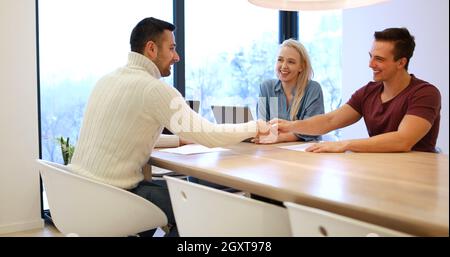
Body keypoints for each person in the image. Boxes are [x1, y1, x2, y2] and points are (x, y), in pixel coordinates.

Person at [68, 17, 270, 236]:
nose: (177, 57)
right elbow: (210, 135)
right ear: (151, 49)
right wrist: (257, 126)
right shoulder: (153, 89)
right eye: (172, 48)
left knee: (181, 194)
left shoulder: (106, 80)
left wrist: (177, 140)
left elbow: (122, 134)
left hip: (81, 195)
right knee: (197, 204)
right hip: (114, 199)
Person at [271, 27, 441, 153]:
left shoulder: (425, 93)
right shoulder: (368, 92)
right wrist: (290, 126)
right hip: (380, 169)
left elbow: (403, 140)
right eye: (371, 56)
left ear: (401, 63)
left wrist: (345, 144)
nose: (370, 64)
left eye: (379, 59)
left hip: (417, 174)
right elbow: (330, 121)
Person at [255, 38, 324, 144]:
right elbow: (263, 126)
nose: (284, 66)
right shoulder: (266, 87)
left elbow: (312, 129)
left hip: (305, 153)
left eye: (291, 62)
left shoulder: (313, 89)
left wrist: (279, 138)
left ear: (301, 67)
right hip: (272, 149)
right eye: (280, 60)